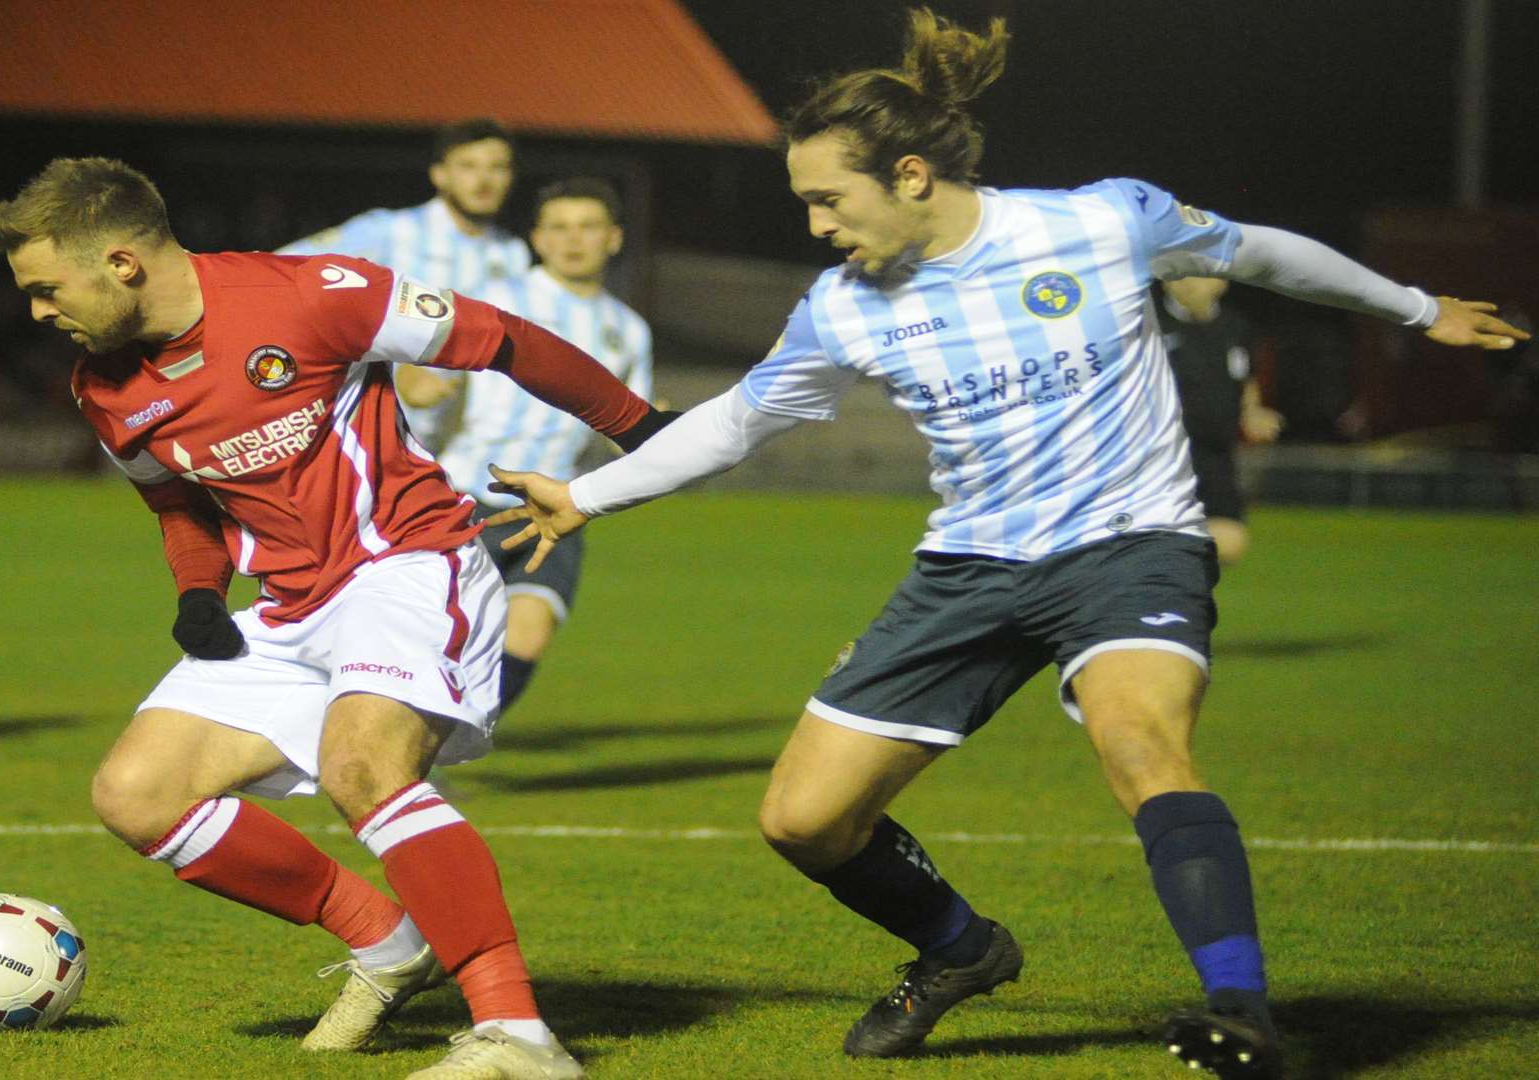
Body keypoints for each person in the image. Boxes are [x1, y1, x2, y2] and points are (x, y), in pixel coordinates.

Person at [485, 9, 1528, 1078]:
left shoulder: (1100, 223)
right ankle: (960, 949)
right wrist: (586, 495)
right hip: (970, 568)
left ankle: (1240, 1011)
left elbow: (1257, 251)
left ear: (910, 175)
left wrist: (1414, 307)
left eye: (827, 200)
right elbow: (740, 421)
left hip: (1130, 546)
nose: (814, 226)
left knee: (1141, 744)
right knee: (804, 820)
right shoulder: (844, 307)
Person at [0, 157, 670, 1079]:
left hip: (408, 564)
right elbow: (180, 508)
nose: (36, 311)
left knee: (363, 764)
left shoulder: (309, 294)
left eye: (45, 288)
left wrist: (637, 427)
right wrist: (196, 593)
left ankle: (519, 1036)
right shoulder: (102, 387)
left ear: (122, 261)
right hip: (289, 606)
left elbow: (496, 335)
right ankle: (386, 942)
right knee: (136, 796)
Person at [436, 178, 652, 715]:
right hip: (466, 494)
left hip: (553, 504)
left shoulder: (627, 329)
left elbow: (625, 432)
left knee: (528, 635)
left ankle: (447, 744)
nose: (572, 239)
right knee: (433, 636)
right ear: (537, 238)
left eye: (587, 226)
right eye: (558, 227)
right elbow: (429, 377)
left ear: (614, 238)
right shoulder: (500, 302)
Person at [279, 118, 531, 448]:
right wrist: (392, 368)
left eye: (497, 167)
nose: (484, 179)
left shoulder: (513, 254)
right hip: (358, 430)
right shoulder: (389, 230)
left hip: (452, 444)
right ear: (439, 174)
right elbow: (285, 273)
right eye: (469, 166)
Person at [1159, 276, 1279, 565]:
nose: (1188, 283)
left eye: (1199, 274)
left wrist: (1253, 411)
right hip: (1162, 457)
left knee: (1230, 546)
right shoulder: (1148, 325)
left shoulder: (1235, 327)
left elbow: (1245, 380)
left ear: (1221, 282)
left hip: (1216, 455)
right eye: (1179, 273)